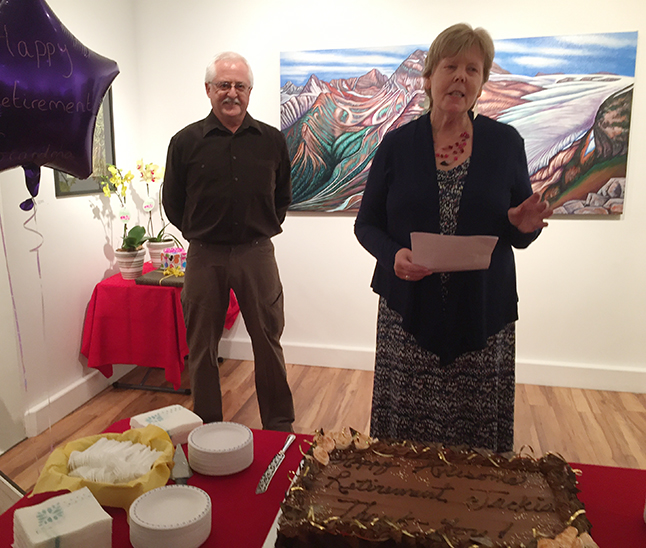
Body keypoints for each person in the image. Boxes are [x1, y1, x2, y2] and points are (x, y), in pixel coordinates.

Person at [354, 24, 552, 452]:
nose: (461, 77)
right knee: (404, 447)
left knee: (475, 440)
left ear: (482, 83)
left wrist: (522, 226)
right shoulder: (395, 145)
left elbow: (518, 232)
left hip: (482, 313)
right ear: (428, 78)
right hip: (406, 314)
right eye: (450, 66)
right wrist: (393, 256)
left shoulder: (505, 144)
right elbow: (365, 225)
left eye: (473, 69)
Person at [163, 51, 295, 432]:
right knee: (201, 347)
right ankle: (208, 428)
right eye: (224, 85)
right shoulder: (185, 142)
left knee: (268, 341)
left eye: (239, 86)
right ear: (208, 89)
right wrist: (202, 231)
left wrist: (260, 226)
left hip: (257, 253)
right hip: (205, 256)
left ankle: (279, 427)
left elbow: (282, 197)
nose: (231, 93)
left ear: (250, 91)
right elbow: (173, 203)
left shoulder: (271, 140)